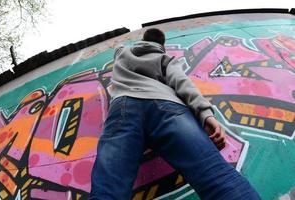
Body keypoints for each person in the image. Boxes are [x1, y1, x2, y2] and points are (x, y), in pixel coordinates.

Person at [89, 28, 260, 200]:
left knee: (108, 188)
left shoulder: (122, 53)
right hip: (167, 107)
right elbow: (182, 82)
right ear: (161, 47)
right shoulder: (165, 58)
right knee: (216, 176)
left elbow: (118, 47)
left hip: (123, 107)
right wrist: (206, 115)